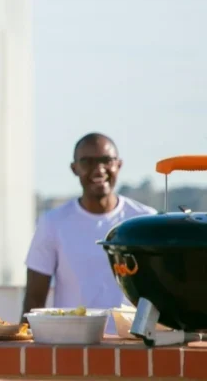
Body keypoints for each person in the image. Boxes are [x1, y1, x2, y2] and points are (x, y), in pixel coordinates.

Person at [20, 133, 157, 333]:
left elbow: (160, 291)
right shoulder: (52, 223)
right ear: (74, 168)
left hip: (131, 344)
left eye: (106, 160)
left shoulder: (145, 220)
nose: (99, 169)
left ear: (118, 165)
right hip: (71, 345)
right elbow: (34, 296)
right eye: (87, 161)